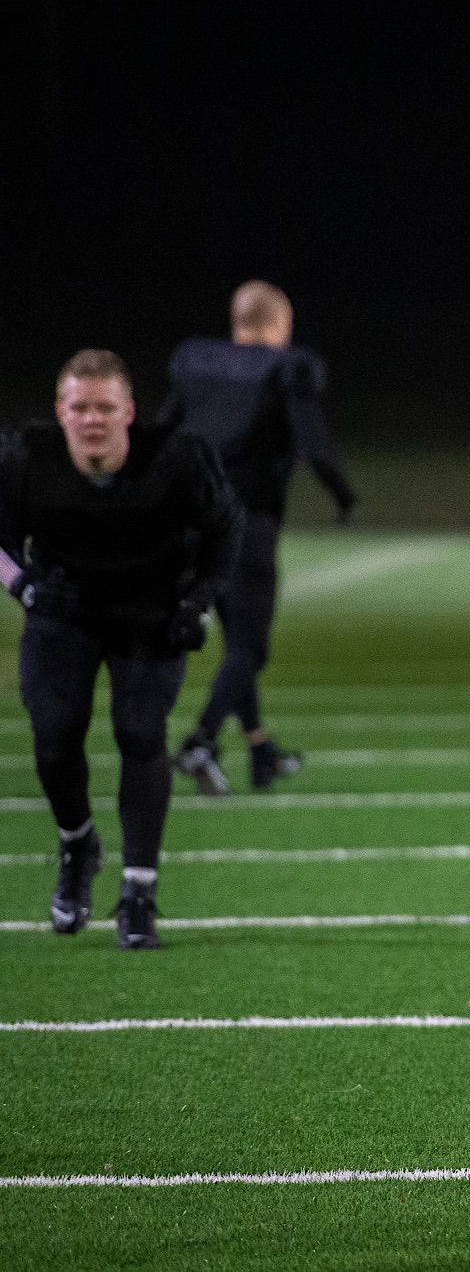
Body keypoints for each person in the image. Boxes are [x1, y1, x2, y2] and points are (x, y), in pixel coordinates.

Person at [1, 350, 243, 947]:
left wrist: (197, 603)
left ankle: (139, 891)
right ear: (60, 412)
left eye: (105, 407)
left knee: (139, 732)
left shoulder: (176, 459)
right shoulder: (26, 458)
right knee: (55, 735)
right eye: (79, 406)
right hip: (65, 609)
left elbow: (226, 529)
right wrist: (22, 586)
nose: (92, 419)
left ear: (129, 412)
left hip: (149, 611)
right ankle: (77, 843)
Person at [161, 280, 355, 794]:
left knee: (236, 645)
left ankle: (260, 751)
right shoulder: (285, 369)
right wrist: (344, 496)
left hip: (191, 524)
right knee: (249, 645)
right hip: (246, 525)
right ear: (281, 325)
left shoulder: (199, 364)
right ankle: (201, 741)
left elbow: (162, 430)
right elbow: (313, 446)